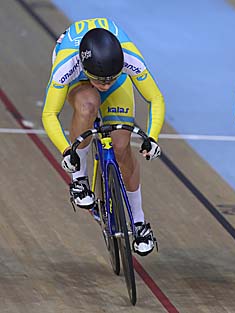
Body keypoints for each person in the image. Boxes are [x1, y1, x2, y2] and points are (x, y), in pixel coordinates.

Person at [42, 18, 166, 256]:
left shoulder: (129, 57)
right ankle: (79, 180)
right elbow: (49, 113)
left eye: (110, 79)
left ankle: (139, 223)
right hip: (80, 82)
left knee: (121, 148)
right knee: (88, 104)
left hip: (116, 75)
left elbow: (155, 98)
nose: (105, 84)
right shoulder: (67, 64)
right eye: (101, 80)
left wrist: (152, 136)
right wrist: (66, 151)